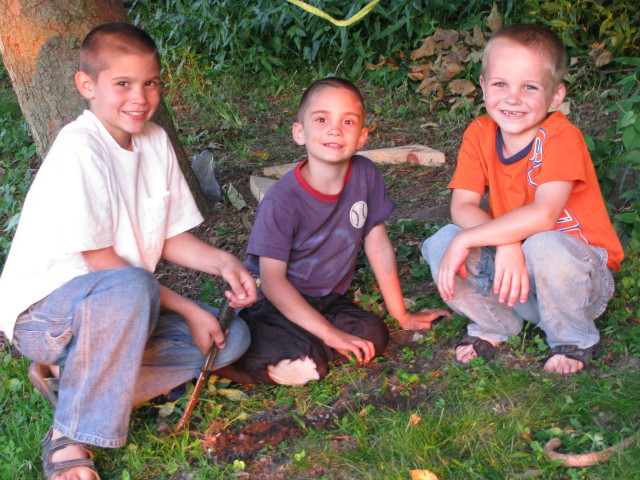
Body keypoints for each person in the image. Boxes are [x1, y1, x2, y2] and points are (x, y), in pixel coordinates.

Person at [0, 22, 257, 480]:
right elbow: (103, 263)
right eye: (122, 84)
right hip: (46, 314)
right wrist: (187, 310)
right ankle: (69, 436)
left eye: (150, 83)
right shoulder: (80, 148)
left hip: (123, 308)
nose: (139, 98)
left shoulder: (154, 141)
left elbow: (169, 235)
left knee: (231, 338)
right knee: (137, 286)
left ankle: (75, 383)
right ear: (87, 86)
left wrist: (223, 262)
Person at [216, 77, 450, 386]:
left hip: (327, 299)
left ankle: (310, 351)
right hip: (273, 305)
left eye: (348, 121)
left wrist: (402, 315)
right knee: (299, 348)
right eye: (322, 119)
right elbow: (273, 283)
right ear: (300, 132)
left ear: (362, 136)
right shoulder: (282, 201)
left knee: (374, 333)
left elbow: (378, 247)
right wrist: (331, 334)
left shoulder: (365, 175)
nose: (335, 129)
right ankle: (238, 362)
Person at [421, 24, 624, 374]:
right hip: (515, 279)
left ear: (555, 96)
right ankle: (495, 325)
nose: (512, 98)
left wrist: (494, 240)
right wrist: (507, 244)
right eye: (501, 84)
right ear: (483, 86)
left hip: (578, 281)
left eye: (529, 87)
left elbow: (544, 215)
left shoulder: (561, 136)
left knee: (542, 244)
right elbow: (463, 206)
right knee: (442, 243)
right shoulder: (480, 132)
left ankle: (572, 339)